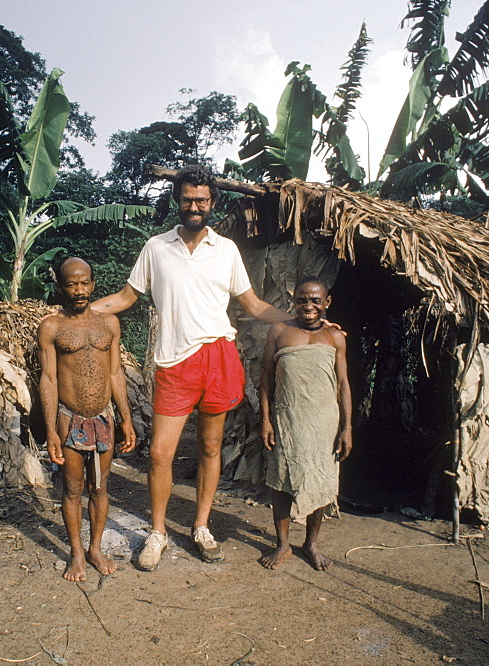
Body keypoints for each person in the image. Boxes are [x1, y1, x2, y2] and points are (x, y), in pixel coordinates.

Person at [92, 164, 321, 571]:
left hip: (218, 358)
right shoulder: (156, 248)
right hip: (174, 363)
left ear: (212, 203)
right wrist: (79, 312)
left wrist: (296, 319)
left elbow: (252, 305)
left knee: (211, 447)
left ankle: (201, 526)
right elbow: (126, 297)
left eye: (201, 200)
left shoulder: (226, 250)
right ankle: (158, 532)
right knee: (161, 453)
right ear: (176, 202)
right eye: (187, 199)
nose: (194, 206)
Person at [38, 257, 137, 581]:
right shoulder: (52, 326)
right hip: (70, 419)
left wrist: (126, 418)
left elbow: (115, 372)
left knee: (101, 487)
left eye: (84, 283)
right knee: (71, 489)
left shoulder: (108, 323)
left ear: (93, 285)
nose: (79, 290)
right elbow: (49, 379)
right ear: (60, 287)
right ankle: (76, 553)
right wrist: (52, 429)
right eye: (71, 284)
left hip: (104, 418)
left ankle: (95, 547)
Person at [258, 276, 352, 571]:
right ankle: (283, 544)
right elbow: (266, 380)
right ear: (294, 301)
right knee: (282, 480)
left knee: (321, 481)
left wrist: (347, 427)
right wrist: (266, 420)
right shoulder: (279, 332)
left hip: (324, 421)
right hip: (288, 417)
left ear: (327, 302)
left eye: (315, 300)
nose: (308, 306)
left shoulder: (335, 338)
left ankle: (311, 543)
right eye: (301, 299)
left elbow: (343, 385)